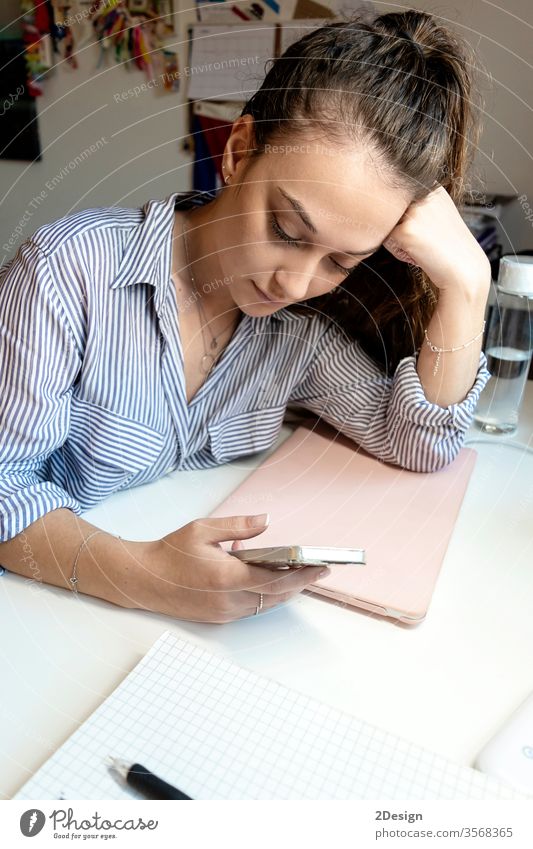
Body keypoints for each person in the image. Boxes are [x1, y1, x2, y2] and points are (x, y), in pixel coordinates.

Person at [0, 10, 491, 623]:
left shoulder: (298, 339)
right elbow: (4, 487)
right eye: (285, 229)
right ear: (237, 152)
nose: (295, 284)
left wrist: (470, 287)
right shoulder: (67, 271)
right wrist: (149, 577)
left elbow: (418, 444)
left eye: (341, 262)